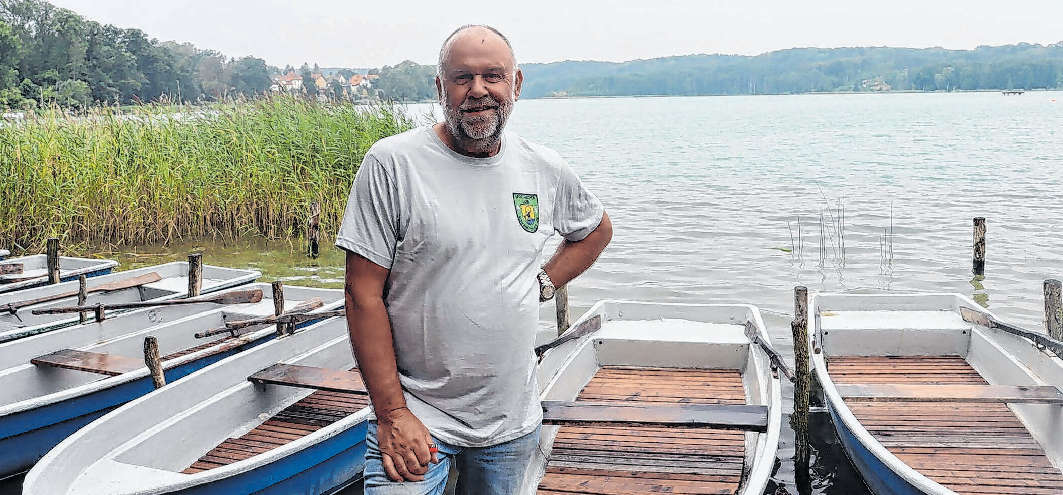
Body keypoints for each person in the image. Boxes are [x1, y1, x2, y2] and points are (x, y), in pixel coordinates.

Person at [336, 24, 612, 495]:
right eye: (462, 77)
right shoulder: (392, 164)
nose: (478, 90)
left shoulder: (543, 167)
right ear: (440, 87)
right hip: (418, 415)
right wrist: (392, 413)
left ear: (516, 85)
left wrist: (541, 284)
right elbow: (362, 295)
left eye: (493, 76)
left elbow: (595, 232)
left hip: (511, 422)